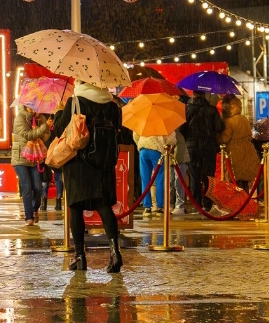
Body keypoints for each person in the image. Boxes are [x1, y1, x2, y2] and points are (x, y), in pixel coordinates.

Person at [49, 82, 125, 273]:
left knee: (76, 208)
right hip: (103, 164)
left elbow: (59, 130)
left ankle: (80, 257)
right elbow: (118, 132)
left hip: (79, 164)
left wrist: (59, 113)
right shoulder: (113, 105)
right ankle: (115, 252)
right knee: (104, 207)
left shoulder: (75, 102)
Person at [185, 92, 224, 212]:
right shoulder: (211, 110)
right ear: (204, 95)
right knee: (208, 177)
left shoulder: (187, 109)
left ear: (193, 95)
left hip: (192, 147)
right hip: (208, 147)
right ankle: (208, 204)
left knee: (194, 177)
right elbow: (219, 127)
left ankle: (196, 204)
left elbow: (182, 128)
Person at [12, 105, 50, 226]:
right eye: (31, 107)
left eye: (35, 107)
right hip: (21, 158)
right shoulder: (20, 118)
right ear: (25, 106)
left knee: (38, 188)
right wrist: (43, 127)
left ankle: (34, 208)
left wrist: (46, 129)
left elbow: (44, 137)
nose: (34, 109)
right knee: (27, 187)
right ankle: (29, 217)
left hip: (34, 156)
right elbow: (28, 135)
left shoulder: (40, 117)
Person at [217, 95, 261, 192]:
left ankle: (239, 200)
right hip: (248, 153)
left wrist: (217, 136)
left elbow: (224, 139)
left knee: (235, 182)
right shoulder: (244, 119)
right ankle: (245, 198)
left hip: (234, 155)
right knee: (244, 180)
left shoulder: (229, 122)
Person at [134, 130, 175, 215]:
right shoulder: (162, 123)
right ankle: (160, 207)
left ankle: (147, 208)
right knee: (160, 178)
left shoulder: (144, 122)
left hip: (143, 150)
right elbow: (171, 138)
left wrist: (140, 143)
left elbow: (135, 134)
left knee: (145, 180)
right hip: (157, 149)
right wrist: (168, 144)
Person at [170, 136, 191, 215]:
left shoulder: (178, 135)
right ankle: (171, 204)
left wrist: (175, 159)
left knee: (179, 182)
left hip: (178, 160)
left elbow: (180, 149)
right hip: (172, 159)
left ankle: (180, 206)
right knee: (171, 182)